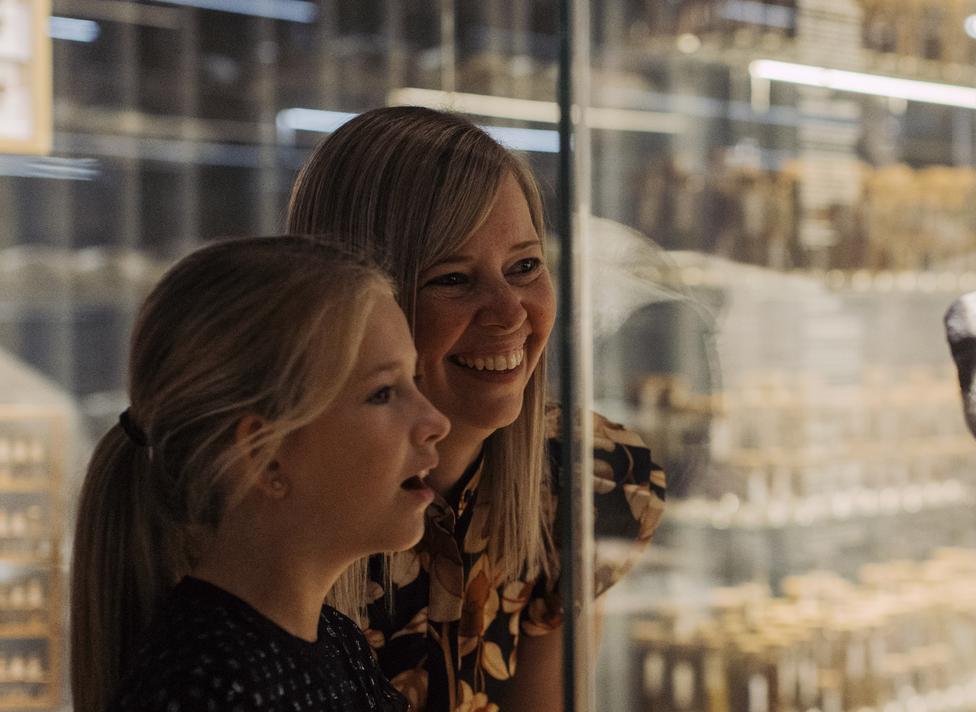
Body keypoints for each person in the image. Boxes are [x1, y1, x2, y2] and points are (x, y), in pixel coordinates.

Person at [286, 106, 668, 711]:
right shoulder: (271, 502)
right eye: (453, 279)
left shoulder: (583, 475)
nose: (510, 312)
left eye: (524, 267)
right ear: (354, 303)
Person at [69, 236, 451, 711]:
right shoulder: (205, 689)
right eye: (382, 393)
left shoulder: (337, 643)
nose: (436, 423)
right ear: (263, 455)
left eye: (412, 382)